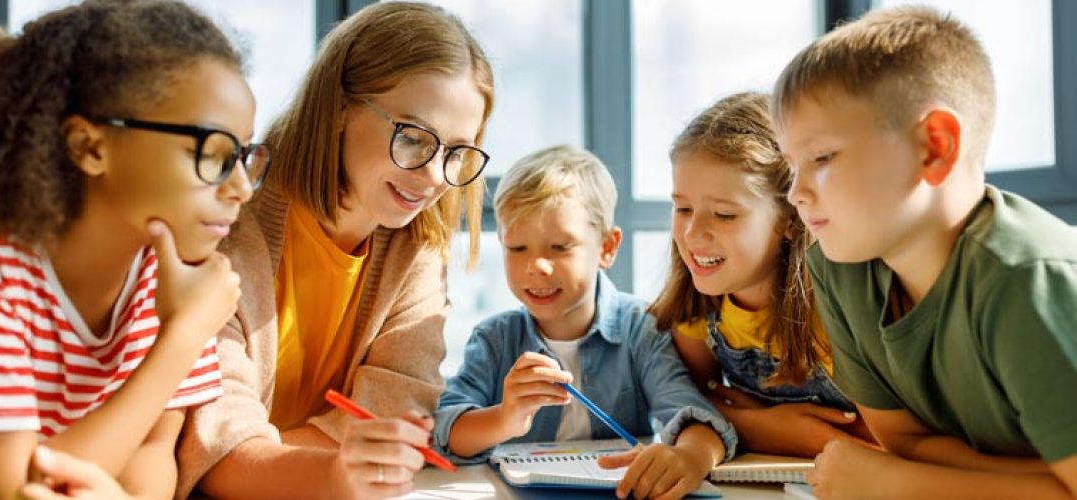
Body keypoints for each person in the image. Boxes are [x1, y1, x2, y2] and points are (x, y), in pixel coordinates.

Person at [0, 1, 266, 498]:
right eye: (213, 153)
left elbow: (152, 455)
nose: (241, 187)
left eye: (243, 155)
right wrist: (182, 335)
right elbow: (10, 495)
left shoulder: (173, 268)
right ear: (89, 147)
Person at [177, 2, 495, 499]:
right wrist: (324, 465)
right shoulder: (229, 219)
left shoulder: (417, 250)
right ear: (340, 107)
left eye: (456, 153)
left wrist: (267, 458)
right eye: (413, 138)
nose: (435, 177)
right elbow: (215, 453)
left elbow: (398, 412)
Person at [773, 6, 1077, 498]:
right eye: (793, 165)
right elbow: (905, 440)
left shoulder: (1027, 279)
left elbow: (901, 464)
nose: (795, 192)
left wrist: (899, 485)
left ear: (934, 147)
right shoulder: (838, 270)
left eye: (822, 157)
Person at [435, 145, 736, 500]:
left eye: (560, 247)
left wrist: (690, 455)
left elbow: (693, 415)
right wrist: (504, 418)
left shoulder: (642, 328)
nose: (536, 266)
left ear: (607, 248)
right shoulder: (494, 339)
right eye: (517, 248)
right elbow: (445, 429)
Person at [648, 92, 872, 457]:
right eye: (683, 208)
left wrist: (744, 422)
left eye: (724, 215)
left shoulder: (838, 305)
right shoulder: (698, 306)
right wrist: (766, 427)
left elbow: (877, 437)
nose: (691, 234)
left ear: (789, 217)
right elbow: (684, 401)